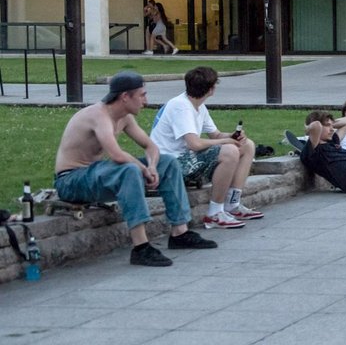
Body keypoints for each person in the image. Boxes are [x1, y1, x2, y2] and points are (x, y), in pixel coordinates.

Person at [54, 71, 217, 267]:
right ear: (125, 97)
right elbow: (116, 154)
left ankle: (180, 233)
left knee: (168, 163)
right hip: (71, 180)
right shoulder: (98, 115)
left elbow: (151, 147)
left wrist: (153, 166)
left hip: (96, 175)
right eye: (142, 95)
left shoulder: (124, 118)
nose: (145, 101)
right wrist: (143, 169)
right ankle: (141, 247)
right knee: (129, 170)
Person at [150, 66, 264, 229]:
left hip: (185, 158)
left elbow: (216, 135)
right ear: (211, 89)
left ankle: (232, 204)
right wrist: (226, 144)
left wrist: (232, 137)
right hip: (170, 165)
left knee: (247, 145)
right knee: (230, 151)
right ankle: (214, 213)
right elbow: (194, 144)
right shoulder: (180, 106)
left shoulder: (198, 106)